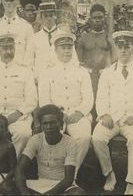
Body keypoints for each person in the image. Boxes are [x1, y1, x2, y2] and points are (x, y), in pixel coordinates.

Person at [92, 31, 133, 194]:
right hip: (112, 119)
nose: (123, 50)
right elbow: (100, 98)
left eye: (127, 47)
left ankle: (131, 183)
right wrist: (104, 114)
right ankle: (109, 174)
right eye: (120, 46)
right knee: (97, 137)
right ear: (116, 48)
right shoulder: (107, 72)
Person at [38, 32, 94, 172]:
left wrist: (79, 112)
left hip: (78, 115)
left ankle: (71, 176)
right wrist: (57, 115)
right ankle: (53, 173)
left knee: (83, 137)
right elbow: (44, 99)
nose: (66, 51)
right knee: (53, 139)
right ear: (55, 50)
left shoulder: (82, 71)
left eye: (69, 47)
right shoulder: (47, 72)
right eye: (63, 47)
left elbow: (88, 98)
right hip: (55, 116)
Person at [15, 104, 86, 195]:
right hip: (40, 184)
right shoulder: (36, 139)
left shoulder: (70, 142)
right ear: (41, 126)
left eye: (53, 123)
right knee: (8, 186)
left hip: (61, 186)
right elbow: (19, 169)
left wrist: (48, 195)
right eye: (45, 123)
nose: (49, 127)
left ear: (61, 124)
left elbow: (69, 178)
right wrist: (24, 193)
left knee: (78, 193)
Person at [75, 4, 114, 126]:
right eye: (95, 18)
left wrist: (111, 41)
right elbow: (78, 61)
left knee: (104, 102)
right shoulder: (83, 38)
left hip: (106, 75)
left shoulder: (109, 37)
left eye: (101, 17)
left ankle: (101, 129)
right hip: (89, 76)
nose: (98, 20)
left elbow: (115, 58)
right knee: (89, 102)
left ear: (104, 19)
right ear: (90, 19)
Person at [25, 2, 79, 81]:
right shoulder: (34, 38)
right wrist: (34, 76)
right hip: (40, 80)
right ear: (41, 18)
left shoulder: (65, 36)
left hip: (61, 80)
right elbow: (28, 63)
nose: (48, 18)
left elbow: (74, 60)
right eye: (45, 16)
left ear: (55, 16)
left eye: (51, 15)